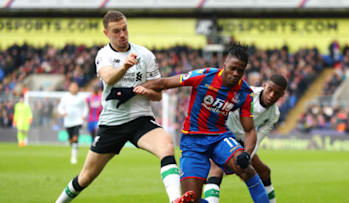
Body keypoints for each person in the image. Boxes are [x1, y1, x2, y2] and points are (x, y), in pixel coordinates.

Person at [55, 10, 194, 203]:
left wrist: (149, 92)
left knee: (167, 145)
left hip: (141, 120)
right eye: (116, 31)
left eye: (124, 29)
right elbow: (108, 77)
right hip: (112, 124)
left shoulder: (145, 55)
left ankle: (175, 199)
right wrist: (125, 67)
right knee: (86, 177)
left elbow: (158, 96)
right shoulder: (103, 55)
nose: (122, 34)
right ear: (106, 34)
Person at [137, 43, 269, 203]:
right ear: (224, 65)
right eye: (232, 68)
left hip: (219, 138)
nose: (235, 74)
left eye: (240, 71)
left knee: (246, 170)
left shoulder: (244, 93)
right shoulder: (204, 76)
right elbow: (164, 83)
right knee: (191, 199)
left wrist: (246, 154)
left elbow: (250, 130)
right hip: (192, 142)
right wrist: (134, 89)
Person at [203, 74, 287, 203]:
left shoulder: (274, 114)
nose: (271, 95)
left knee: (264, 171)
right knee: (216, 168)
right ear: (264, 86)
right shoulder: (248, 93)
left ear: (282, 95)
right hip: (224, 132)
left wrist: (246, 156)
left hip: (244, 140)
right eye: (270, 89)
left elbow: (258, 139)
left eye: (276, 93)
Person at [57, 82, 88, 164]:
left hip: (78, 121)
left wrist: (84, 115)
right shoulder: (65, 97)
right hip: (68, 121)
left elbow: (85, 107)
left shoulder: (81, 97)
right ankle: (72, 143)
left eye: (76, 87)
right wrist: (63, 112)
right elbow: (60, 107)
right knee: (71, 139)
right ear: (69, 88)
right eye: (72, 87)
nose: (74, 88)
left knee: (75, 138)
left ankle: (74, 157)